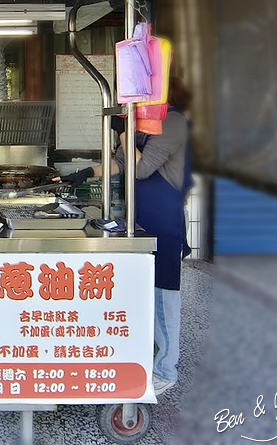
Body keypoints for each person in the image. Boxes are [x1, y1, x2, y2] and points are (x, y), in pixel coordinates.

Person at [61, 74, 192, 396]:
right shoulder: (145, 126)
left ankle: (166, 370)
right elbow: (120, 164)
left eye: (135, 95)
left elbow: (142, 168)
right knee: (142, 293)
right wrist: (84, 173)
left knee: (164, 295)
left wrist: (125, 138)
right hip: (138, 218)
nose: (129, 101)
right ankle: (146, 357)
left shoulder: (173, 123)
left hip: (163, 220)